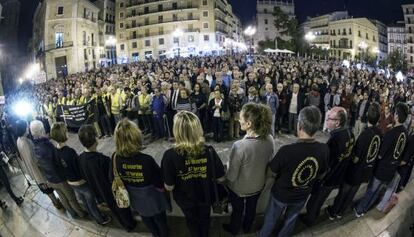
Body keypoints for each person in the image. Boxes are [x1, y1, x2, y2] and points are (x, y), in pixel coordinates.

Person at [258, 106, 329, 237]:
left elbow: (271, 173)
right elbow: (321, 174)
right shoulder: (323, 149)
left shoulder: (287, 151)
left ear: (300, 125)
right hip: (302, 195)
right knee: (290, 221)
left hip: (281, 195)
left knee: (271, 220)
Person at [161, 111, 225, 237]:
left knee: (191, 222)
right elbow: (221, 177)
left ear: (177, 130)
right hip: (206, 197)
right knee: (205, 220)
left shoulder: (169, 155)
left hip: (185, 200)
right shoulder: (209, 151)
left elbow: (169, 187)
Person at [223, 103, 275, 235]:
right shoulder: (269, 139)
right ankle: (247, 228)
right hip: (258, 186)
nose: (238, 120)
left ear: (249, 123)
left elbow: (231, 176)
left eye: (241, 118)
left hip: (239, 189)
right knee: (251, 210)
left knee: (237, 210)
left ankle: (234, 229)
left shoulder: (240, 146)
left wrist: (228, 165)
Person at [113, 119, 169, 237]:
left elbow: (113, 178)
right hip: (153, 201)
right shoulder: (146, 160)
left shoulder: (115, 158)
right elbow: (159, 182)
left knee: (147, 221)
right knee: (161, 222)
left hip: (136, 201)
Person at [326, 103, 382, 220]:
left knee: (343, 193)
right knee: (351, 194)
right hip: (366, 170)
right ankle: (341, 212)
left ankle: (333, 212)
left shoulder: (364, 135)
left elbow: (356, 157)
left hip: (355, 171)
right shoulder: (380, 133)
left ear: (367, 115)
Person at [77, 124, 137, 231]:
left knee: (115, 210)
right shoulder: (103, 160)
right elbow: (111, 177)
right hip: (112, 192)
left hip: (99, 193)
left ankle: (125, 225)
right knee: (122, 210)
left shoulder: (80, 158)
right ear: (96, 139)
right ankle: (130, 225)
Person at [302, 107, 355, 226]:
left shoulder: (335, 139)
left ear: (337, 122)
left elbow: (327, 164)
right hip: (338, 176)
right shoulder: (350, 133)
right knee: (320, 200)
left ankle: (310, 220)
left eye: (329, 119)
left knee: (315, 201)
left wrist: (319, 179)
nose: (326, 121)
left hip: (328, 179)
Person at [50, 122, 111, 225]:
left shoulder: (55, 151)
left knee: (85, 202)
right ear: (63, 134)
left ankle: (92, 215)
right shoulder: (70, 152)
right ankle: (101, 219)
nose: (67, 132)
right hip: (80, 182)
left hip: (70, 182)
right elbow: (79, 168)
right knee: (91, 202)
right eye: (66, 131)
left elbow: (59, 167)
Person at [355, 102, 409, 216]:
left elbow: (380, 154)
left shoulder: (392, 133)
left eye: (395, 113)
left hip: (382, 169)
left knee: (372, 190)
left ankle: (360, 210)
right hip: (392, 169)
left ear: (396, 116)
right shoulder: (405, 132)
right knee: (377, 191)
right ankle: (365, 208)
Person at [30, 120, 85, 218]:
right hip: (59, 177)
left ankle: (72, 213)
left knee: (61, 197)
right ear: (42, 130)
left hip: (49, 179)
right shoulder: (47, 145)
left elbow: (39, 163)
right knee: (71, 197)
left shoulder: (35, 146)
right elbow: (57, 160)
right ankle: (81, 213)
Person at [15, 120, 60, 207]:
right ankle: (56, 203)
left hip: (32, 171)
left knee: (45, 188)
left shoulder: (19, 140)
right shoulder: (26, 142)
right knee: (47, 188)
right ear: (24, 128)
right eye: (27, 126)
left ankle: (55, 202)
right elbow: (33, 159)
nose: (28, 128)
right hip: (38, 171)